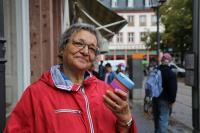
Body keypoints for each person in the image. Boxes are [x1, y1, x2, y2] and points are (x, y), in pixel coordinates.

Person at [4, 23, 137, 133]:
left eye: (92, 48)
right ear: (62, 49)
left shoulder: (105, 91)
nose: (85, 51)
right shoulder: (36, 94)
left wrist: (126, 120)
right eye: (79, 43)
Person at [153, 53, 177, 133]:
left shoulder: (156, 71)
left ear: (162, 60)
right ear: (169, 61)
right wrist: (172, 100)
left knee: (156, 118)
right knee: (163, 119)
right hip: (165, 100)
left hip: (155, 98)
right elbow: (172, 89)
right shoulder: (171, 74)